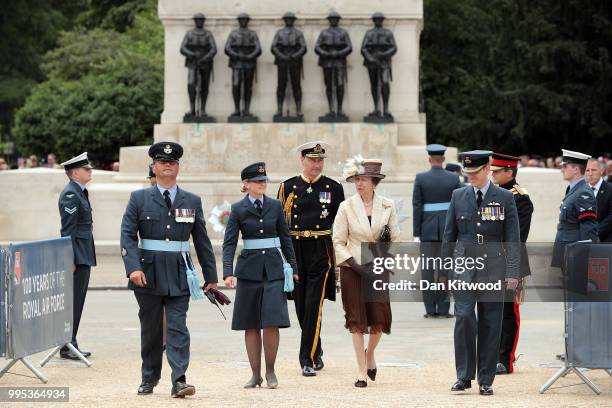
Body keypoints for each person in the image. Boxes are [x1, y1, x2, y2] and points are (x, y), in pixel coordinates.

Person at [120, 142, 217, 398]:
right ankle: (149, 378)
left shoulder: (191, 200)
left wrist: (211, 277)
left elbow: (202, 242)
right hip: (147, 274)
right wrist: (133, 268)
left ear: (178, 167)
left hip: (179, 273)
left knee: (177, 327)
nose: (167, 165)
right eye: (162, 162)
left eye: (172, 162)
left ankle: (179, 380)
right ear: (154, 166)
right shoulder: (139, 198)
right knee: (151, 330)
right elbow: (128, 236)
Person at [443, 150, 520, 396]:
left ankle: (485, 379)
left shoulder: (505, 197)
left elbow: (513, 238)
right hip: (463, 268)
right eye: (468, 173)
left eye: (475, 173)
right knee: (464, 318)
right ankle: (464, 376)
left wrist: (513, 272)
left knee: (490, 322)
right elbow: (449, 236)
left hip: (493, 268)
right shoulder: (458, 195)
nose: (471, 177)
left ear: (487, 169)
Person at [223, 162, 298, 389]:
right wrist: (228, 272)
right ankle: (255, 374)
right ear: (245, 184)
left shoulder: (275, 206)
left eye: (264, 181)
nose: (262, 184)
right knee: (251, 323)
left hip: (274, 268)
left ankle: (271, 371)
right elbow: (229, 243)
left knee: (272, 321)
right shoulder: (238, 209)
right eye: (257, 181)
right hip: (249, 270)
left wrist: (293, 268)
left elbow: (285, 238)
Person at [277, 141, 345, 376]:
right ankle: (316, 350)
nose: (317, 165)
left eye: (320, 160)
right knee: (301, 304)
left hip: (320, 249)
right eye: (312, 160)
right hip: (294, 249)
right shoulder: (287, 187)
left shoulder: (334, 188)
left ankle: (305, 358)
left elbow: (339, 222)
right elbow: (281, 224)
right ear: (302, 160)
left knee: (314, 304)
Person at [333, 157, 400, 387]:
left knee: (379, 319)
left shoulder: (387, 205)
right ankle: (361, 371)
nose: (359, 184)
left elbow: (395, 238)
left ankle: (369, 353)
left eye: (363, 179)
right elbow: (338, 241)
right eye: (356, 179)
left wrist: (384, 250)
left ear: (374, 181)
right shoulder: (346, 206)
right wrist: (354, 264)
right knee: (356, 319)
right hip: (352, 268)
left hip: (378, 265)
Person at [490, 153, 534, 374]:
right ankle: (493, 354)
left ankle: (505, 359)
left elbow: (518, 235)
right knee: (491, 311)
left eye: (497, 171)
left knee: (509, 312)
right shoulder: (491, 194)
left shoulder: (520, 198)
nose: (493, 175)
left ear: (510, 171)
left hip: (510, 261)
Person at [412, 144, 462, 318]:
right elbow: (459, 207)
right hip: (448, 231)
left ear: (429, 159)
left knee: (427, 271)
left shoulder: (420, 178)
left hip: (427, 230)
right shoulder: (453, 179)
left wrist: (416, 233)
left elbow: (417, 206)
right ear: (443, 159)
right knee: (445, 270)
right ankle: (443, 309)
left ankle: (430, 309)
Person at [58, 152, 97, 360]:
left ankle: (69, 342)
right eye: (86, 169)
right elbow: (68, 230)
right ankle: (67, 344)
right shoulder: (71, 194)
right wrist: (69, 258)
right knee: (73, 301)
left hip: (83, 252)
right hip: (77, 255)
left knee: (77, 300)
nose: (90, 171)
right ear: (74, 173)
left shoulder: (80, 191)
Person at [551, 150, 599, 268]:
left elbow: (588, 228)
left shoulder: (583, 193)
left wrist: (583, 257)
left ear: (576, 169)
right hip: (567, 250)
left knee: (577, 286)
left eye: (565, 166)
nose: (562, 169)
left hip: (575, 253)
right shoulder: (574, 190)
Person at [315, 12, 352, 119]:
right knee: (329, 86)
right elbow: (317, 47)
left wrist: (339, 53)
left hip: (339, 61)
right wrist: (326, 53)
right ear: (329, 20)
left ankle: (340, 109)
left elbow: (349, 47)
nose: (333, 20)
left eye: (335, 19)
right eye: (332, 19)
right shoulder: (324, 33)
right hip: (327, 61)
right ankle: (331, 108)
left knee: (340, 85)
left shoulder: (343, 33)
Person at [361, 12, 397, 120]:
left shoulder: (388, 33)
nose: (378, 21)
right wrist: (371, 58)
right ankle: (376, 108)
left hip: (384, 62)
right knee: (374, 85)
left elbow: (394, 47)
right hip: (371, 62)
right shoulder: (369, 33)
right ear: (373, 21)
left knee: (385, 83)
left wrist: (384, 54)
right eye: (376, 19)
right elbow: (363, 48)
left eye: (380, 19)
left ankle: (385, 108)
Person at [180, 13, 217, 119]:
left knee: (204, 87)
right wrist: (192, 55)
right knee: (191, 84)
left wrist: (205, 57)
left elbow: (213, 49)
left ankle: (203, 109)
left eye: (201, 20)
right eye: (197, 20)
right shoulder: (190, 34)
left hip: (205, 64)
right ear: (194, 21)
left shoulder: (208, 34)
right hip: (193, 63)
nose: (199, 22)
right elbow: (183, 48)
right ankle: (192, 108)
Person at [225, 13, 261, 118]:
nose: (243, 21)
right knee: (236, 85)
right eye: (241, 20)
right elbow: (227, 48)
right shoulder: (233, 34)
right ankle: (236, 109)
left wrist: (250, 56)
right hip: (236, 63)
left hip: (249, 63)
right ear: (239, 21)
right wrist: (237, 55)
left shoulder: (252, 34)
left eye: (245, 20)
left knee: (248, 87)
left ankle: (246, 109)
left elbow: (258, 49)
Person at [271, 12, 307, 118]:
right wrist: (281, 56)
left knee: (297, 86)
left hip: (294, 62)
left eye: (291, 19)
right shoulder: (279, 33)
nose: (289, 21)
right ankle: (279, 110)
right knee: (281, 86)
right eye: (287, 19)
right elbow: (273, 47)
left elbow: (303, 47)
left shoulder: (298, 33)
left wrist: (294, 56)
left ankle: (299, 110)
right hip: (282, 62)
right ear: (284, 20)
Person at [585, 158, 612, 242]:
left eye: (593, 170)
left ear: (601, 171)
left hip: (605, 240)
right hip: (583, 240)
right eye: (587, 170)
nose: (590, 173)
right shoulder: (581, 191)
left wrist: (595, 232)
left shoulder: (610, 189)